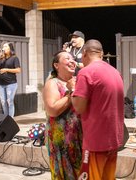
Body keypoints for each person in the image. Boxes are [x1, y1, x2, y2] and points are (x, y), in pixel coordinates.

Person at [71, 39, 124, 180]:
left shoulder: (86, 72)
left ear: (84, 54)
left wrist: (72, 92)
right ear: (101, 54)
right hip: (113, 139)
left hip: (95, 142)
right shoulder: (115, 72)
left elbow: (79, 107)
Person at [42, 50, 82, 180]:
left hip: (79, 138)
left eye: (73, 59)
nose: (72, 61)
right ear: (56, 65)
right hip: (61, 141)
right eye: (67, 58)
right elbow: (52, 110)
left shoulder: (77, 81)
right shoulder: (52, 83)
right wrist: (71, 92)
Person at [0, 42, 21, 117]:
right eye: (3, 47)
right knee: (3, 102)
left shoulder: (14, 58)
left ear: (10, 48)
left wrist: (6, 70)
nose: (3, 48)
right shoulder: (2, 58)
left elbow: (18, 70)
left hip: (11, 84)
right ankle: (5, 118)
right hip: (2, 84)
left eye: (5, 46)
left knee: (9, 101)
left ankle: (10, 119)